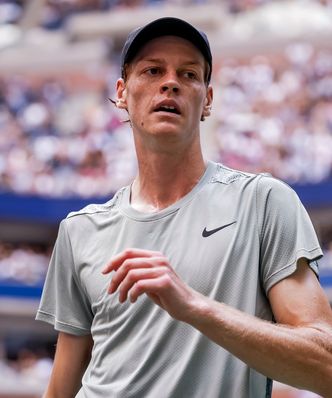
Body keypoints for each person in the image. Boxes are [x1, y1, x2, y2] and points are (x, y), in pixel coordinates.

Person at [36, 17, 332, 398]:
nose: (171, 81)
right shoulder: (78, 230)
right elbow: (60, 390)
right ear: (122, 93)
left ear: (207, 99)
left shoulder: (264, 201)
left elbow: (325, 366)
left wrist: (194, 306)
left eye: (189, 74)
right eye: (153, 70)